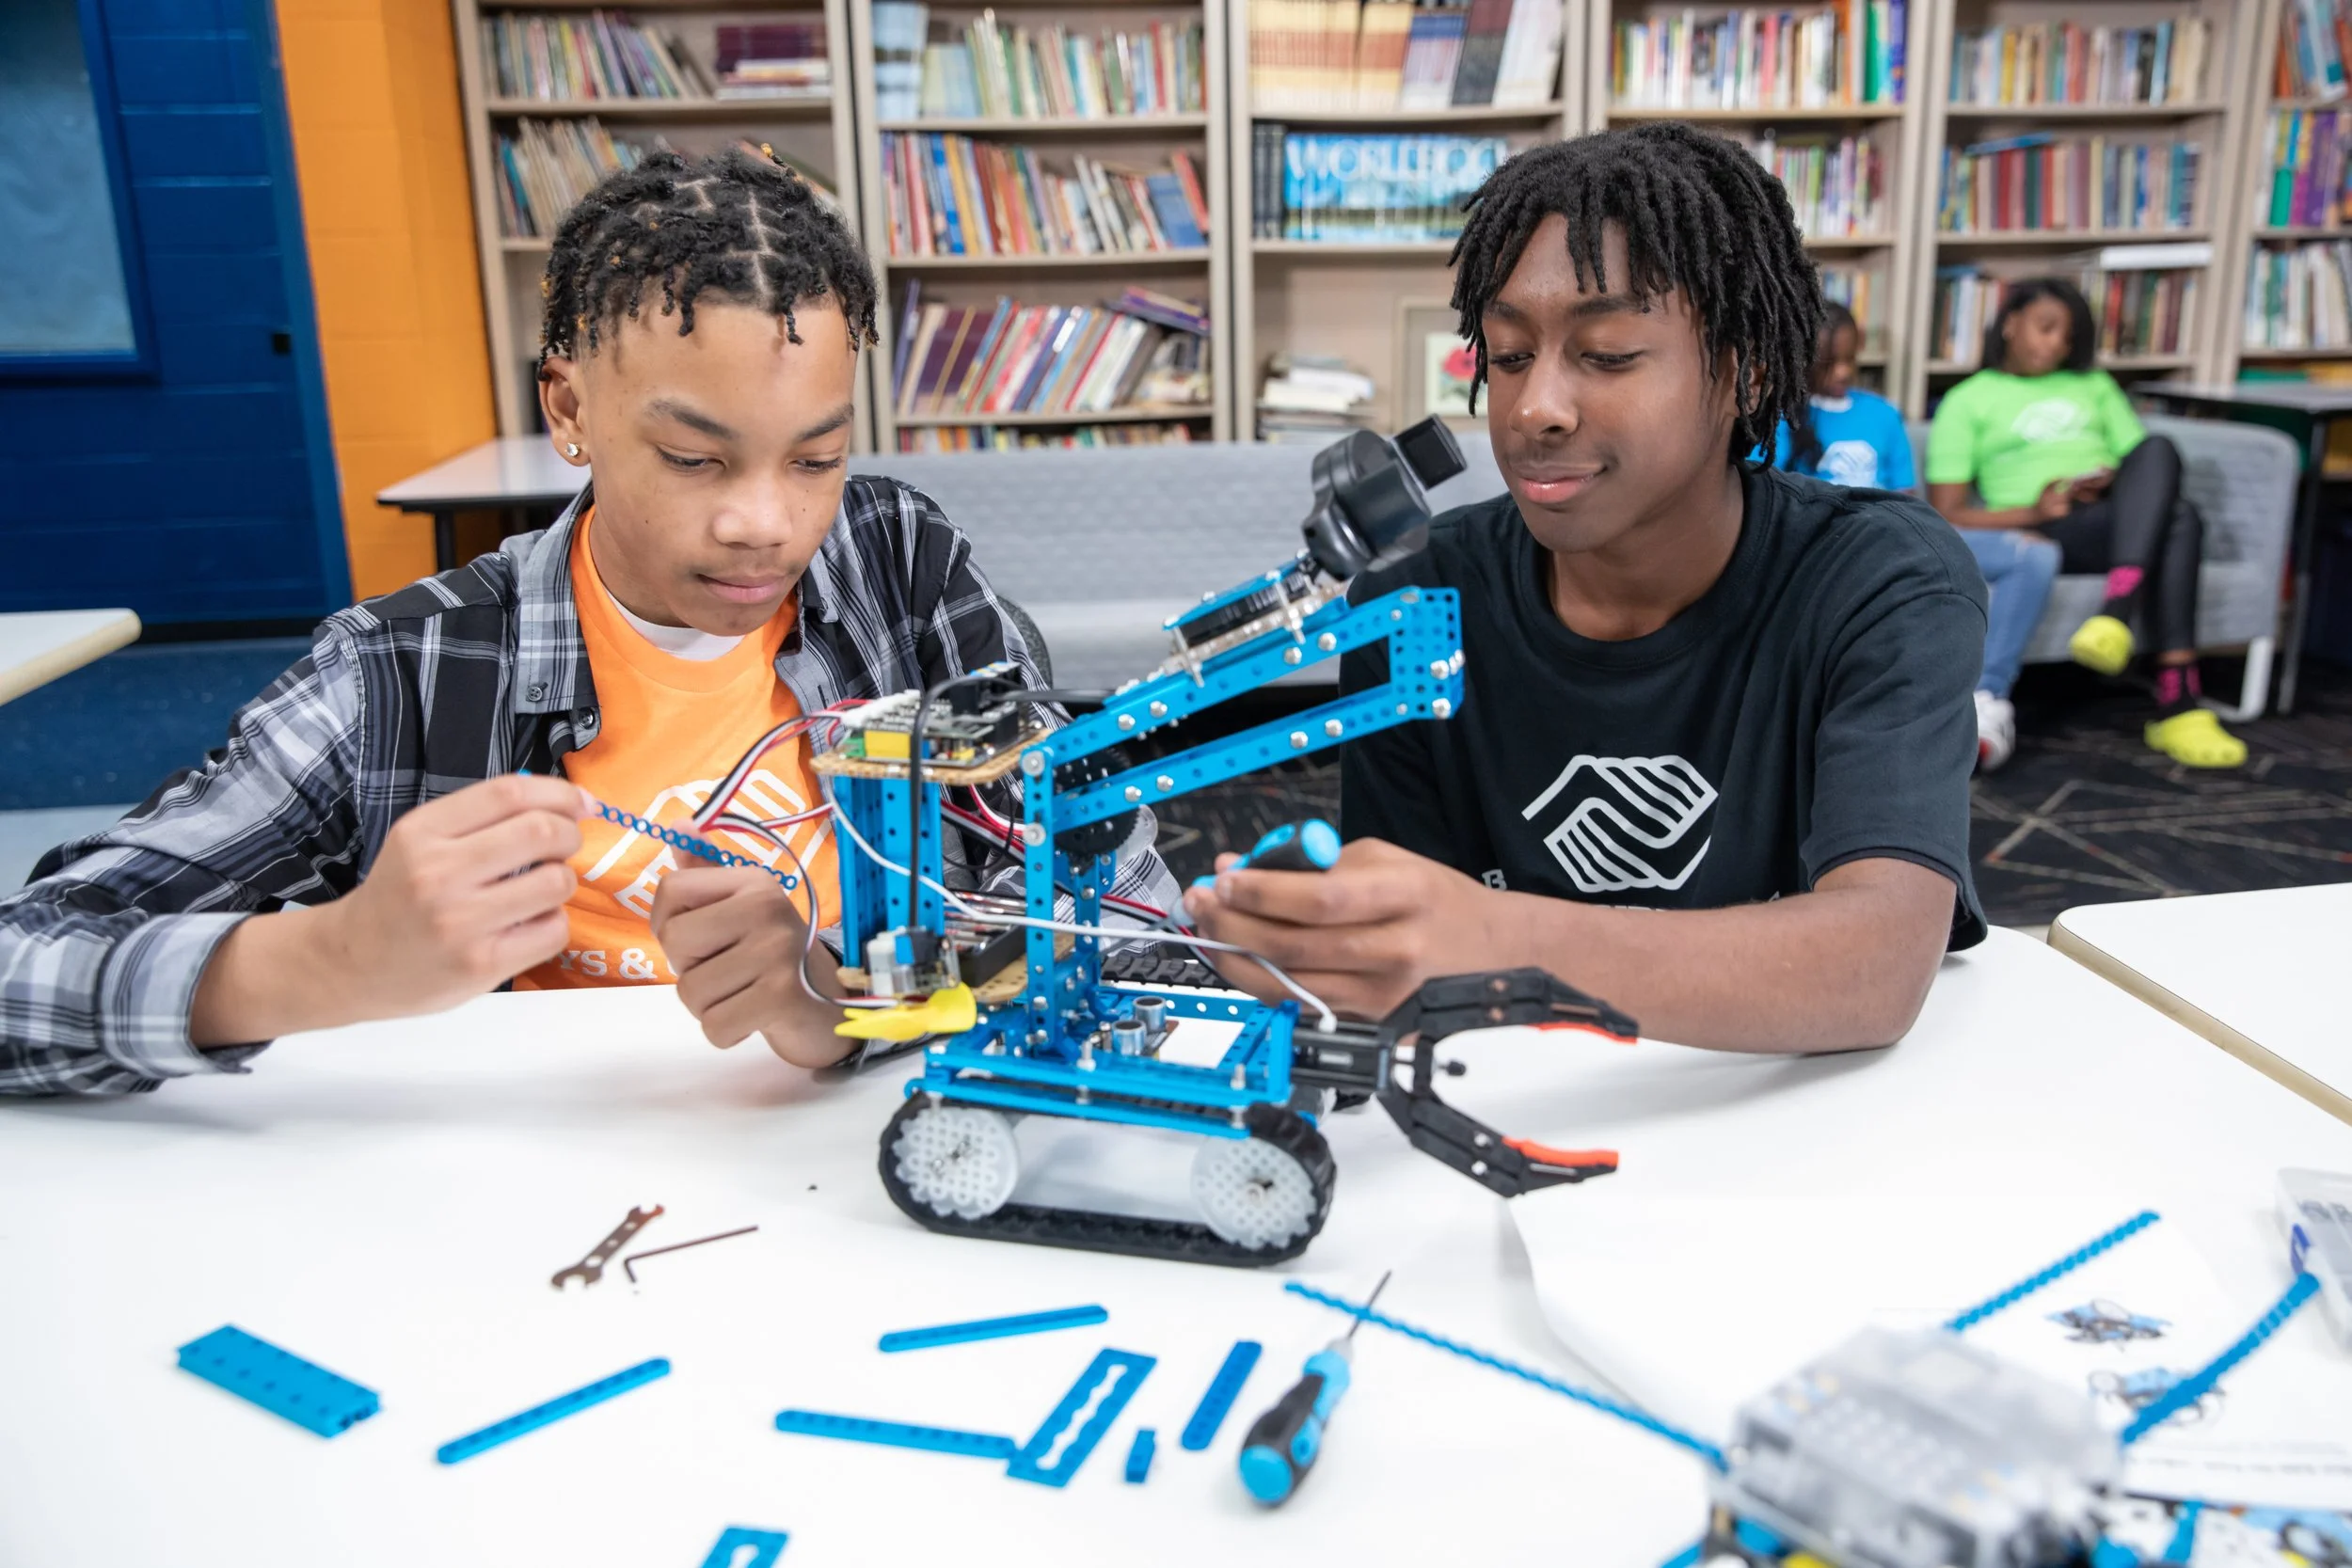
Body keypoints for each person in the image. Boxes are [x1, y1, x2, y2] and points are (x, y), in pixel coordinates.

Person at [0, 148, 1174, 1097]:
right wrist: (326, 960)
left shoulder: (900, 567)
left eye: (816, 456)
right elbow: (23, 960)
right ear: (568, 404)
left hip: (851, 1184)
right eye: (690, 457)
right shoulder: (407, 670)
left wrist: (831, 1006)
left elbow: (1127, 916)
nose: (765, 524)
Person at [1183, 123, 1988, 1053]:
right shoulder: (1415, 594)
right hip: (1526, 1098)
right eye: (1510, 355)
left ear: (1746, 369)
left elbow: (1874, 966)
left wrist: (1494, 934)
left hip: (1801, 1110)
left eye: (1605, 355)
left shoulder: (1879, 580)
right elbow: (1403, 976)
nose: (1534, 409)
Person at [1926, 277, 2245, 769]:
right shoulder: (1969, 399)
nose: (2055, 343)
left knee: (2159, 453)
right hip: (2046, 525)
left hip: (2111, 516)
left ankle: (2117, 612)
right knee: (2181, 520)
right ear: (2010, 324)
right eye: (2045, 328)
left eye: (2066, 336)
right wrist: (2036, 510)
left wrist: (2105, 481)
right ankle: (2178, 700)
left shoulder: (2094, 386)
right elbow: (1947, 512)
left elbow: (2140, 463)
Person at [1772, 300, 1915, 493]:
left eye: (1850, 359)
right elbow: (1767, 491)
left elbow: (1906, 494)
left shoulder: (1884, 413)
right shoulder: (1781, 417)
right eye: (1829, 363)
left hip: (1879, 520)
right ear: (1802, 359)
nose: (1843, 372)